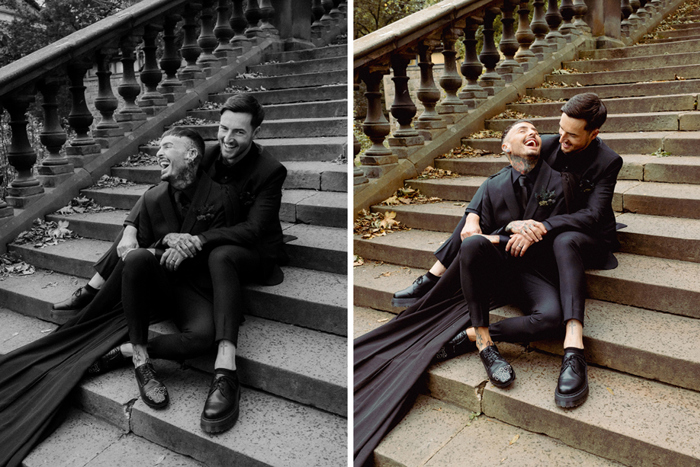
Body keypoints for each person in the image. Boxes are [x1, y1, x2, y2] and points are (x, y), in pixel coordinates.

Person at [53, 93, 288, 433]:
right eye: (223, 129)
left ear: (254, 133)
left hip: (252, 248)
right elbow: (159, 186)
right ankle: (96, 290)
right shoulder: (205, 153)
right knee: (135, 247)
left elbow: (253, 228)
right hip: (201, 242)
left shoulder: (270, 171)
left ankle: (226, 370)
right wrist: (130, 227)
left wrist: (198, 240)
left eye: (239, 132)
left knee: (220, 256)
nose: (228, 139)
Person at [0, 127, 229, 466]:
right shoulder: (152, 197)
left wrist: (196, 243)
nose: (158, 153)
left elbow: (233, 242)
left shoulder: (222, 196)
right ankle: (140, 359)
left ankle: (119, 351)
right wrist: (160, 243)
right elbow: (137, 244)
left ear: (192, 154)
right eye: (157, 148)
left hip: (196, 287)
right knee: (136, 257)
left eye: (167, 146)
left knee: (203, 339)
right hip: (161, 285)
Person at [355, 120, 569, 467]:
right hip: (498, 269)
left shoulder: (559, 183)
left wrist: (499, 234)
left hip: (535, 271)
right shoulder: (492, 184)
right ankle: (485, 344)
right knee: (471, 249)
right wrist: (495, 227)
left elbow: (558, 237)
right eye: (521, 130)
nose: (531, 134)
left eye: (534, 132)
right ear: (504, 147)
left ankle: (466, 336)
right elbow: (471, 233)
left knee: (552, 318)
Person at [392, 92, 622, 408]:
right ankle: (437, 275)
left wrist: (540, 226)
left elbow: (593, 215)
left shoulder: (608, 161)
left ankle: (573, 349)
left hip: (588, 234)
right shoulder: (551, 142)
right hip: (543, 230)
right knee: (475, 233)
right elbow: (504, 173)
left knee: (563, 240)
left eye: (571, 135)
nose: (560, 138)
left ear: (593, 134)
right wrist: (472, 213)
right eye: (560, 129)